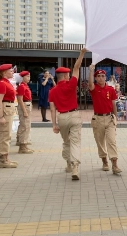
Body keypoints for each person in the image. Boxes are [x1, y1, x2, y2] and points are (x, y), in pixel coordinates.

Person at [49, 49, 86, 180]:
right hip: (74, 115)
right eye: (68, 75)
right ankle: (75, 167)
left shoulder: (52, 91)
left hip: (62, 117)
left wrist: (54, 124)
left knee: (66, 142)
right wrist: (82, 53)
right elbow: (77, 67)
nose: (69, 77)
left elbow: (52, 109)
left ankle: (68, 164)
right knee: (75, 142)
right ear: (65, 76)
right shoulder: (71, 84)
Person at [88, 64, 121, 174]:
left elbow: (113, 104)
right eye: (99, 76)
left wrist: (115, 117)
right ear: (96, 78)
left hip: (109, 118)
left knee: (111, 141)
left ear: (105, 77)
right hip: (98, 119)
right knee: (100, 142)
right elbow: (90, 84)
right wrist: (91, 71)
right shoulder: (94, 88)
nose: (101, 78)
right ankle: (104, 161)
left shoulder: (111, 89)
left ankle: (115, 165)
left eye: (103, 76)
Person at [0, 64, 19, 168]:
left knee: (7, 135)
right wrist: (1, 116)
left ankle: (6, 158)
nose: (12, 72)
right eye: (10, 71)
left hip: (9, 107)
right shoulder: (2, 83)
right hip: (5, 108)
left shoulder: (6, 82)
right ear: (4, 73)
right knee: (4, 135)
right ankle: (3, 160)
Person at [15, 71, 34, 154]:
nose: (28, 78)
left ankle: (24, 143)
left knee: (26, 125)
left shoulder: (25, 86)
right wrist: (25, 111)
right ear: (22, 78)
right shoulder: (22, 86)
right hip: (25, 105)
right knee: (25, 126)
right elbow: (20, 99)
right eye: (27, 76)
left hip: (27, 104)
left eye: (29, 76)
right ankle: (22, 145)